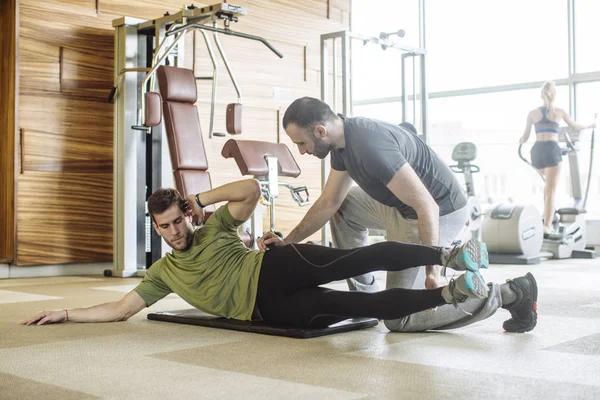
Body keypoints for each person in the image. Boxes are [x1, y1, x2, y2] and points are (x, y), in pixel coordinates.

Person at [23, 180, 534, 332]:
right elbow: (119, 309)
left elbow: (249, 189)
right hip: (266, 310)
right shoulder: (162, 274)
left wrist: (201, 202)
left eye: (178, 220)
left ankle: (450, 253)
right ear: (155, 231)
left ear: (184, 214)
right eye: (166, 227)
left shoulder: (216, 226)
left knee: (357, 261)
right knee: (361, 309)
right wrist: (66, 312)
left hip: (271, 265)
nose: (175, 231)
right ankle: (452, 292)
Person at [519, 81, 596, 234]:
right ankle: (547, 226)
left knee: (547, 189)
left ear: (542, 95)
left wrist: (521, 140)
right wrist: (590, 125)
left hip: (537, 152)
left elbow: (525, 137)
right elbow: (575, 125)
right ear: (554, 95)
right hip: (552, 150)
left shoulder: (532, 113)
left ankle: (547, 216)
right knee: (551, 191)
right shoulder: (559, 112)